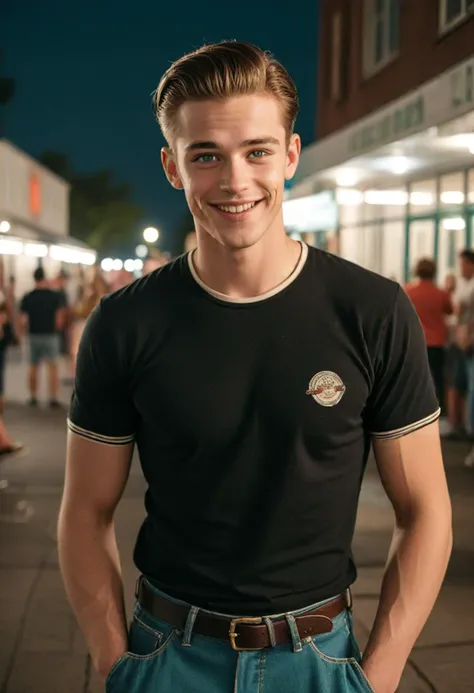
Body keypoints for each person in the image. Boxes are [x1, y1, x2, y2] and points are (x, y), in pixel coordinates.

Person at [58, 41, 452, 693]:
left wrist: (377, 678)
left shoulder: (372, 310)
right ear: (172, 167)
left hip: (320, 661)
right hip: (167, 655)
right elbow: (83, 510)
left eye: (257, 151)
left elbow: (427, 508)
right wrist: (115, 664)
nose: (235, 180)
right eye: (205, 154)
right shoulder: (125, 323)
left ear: (291, 155)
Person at [405, 258, 452, 411]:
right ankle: (438, 410)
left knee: (415, 378)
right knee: (437, 378)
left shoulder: (408, 292)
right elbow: (450, 311)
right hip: (437, 342)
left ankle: (416, 409)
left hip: (415, 342)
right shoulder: (441, 294)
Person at [18, 266, 65, 408]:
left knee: (33, 366)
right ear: (44, 277)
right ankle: (53, 398)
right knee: (53, 367)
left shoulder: (28, 296)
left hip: (34, 334)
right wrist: (57, 329)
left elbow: (23, 319)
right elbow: (60, 318)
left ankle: (33, 396)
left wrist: (22, 334)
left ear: (34, 278)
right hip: (50, 334)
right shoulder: (54, 296)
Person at [444, 250, 474, 439]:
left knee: (470, 386)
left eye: (463, 264)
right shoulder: (466, 285)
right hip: (462, 342)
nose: (460, 268)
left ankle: (469, 428)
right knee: (463, 385)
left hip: (468, 342)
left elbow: (461, 314)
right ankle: (464, 425)